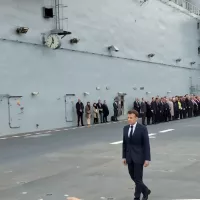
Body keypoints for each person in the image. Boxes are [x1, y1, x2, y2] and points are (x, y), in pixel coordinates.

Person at [122, 110, 151, 200]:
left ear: (136, 118)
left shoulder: (142, 128)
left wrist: (147, 159)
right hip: (129, 157)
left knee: (138, 179)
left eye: (131, 118)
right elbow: (125, 144)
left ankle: (137, 197)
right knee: (133, 176)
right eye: (128, 118)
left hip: (139, 157)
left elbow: (146, 144)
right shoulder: (125, 128)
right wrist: (124, 156)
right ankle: (145, 190)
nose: (129, 119)